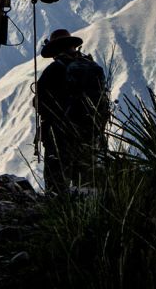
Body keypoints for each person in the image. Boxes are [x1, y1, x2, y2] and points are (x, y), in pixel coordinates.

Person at [36, 29, 109, 192]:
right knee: (88, 175)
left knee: (57, 178)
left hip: (60, 135)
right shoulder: (92, 66)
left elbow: (41, 104)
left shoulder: (53, 70)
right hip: (91, 132)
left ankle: (58, 207)